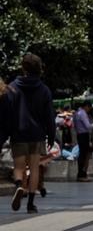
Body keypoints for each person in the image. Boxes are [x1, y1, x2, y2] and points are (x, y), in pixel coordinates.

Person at [3, 53, 56, 214]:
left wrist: (4, 135)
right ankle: (31, 204)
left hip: (18, 133)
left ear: (23, 68)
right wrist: (51, 135)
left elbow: (6, 114)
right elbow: (49, 115)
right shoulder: (44, 90)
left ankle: (20, 185)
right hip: (37, 134)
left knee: (18, 166)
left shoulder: (12, 87)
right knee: (34, 168)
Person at [73, 100, 93, 182]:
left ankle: (81, 174)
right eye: (89, 108)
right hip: (84, 135)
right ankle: (82, 174)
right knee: (84, 155)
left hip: (79, 135)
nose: (89, 110)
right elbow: (88, 126)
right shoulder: (83, 114)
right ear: (86, 106)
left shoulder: (76, 113)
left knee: (82, 154)